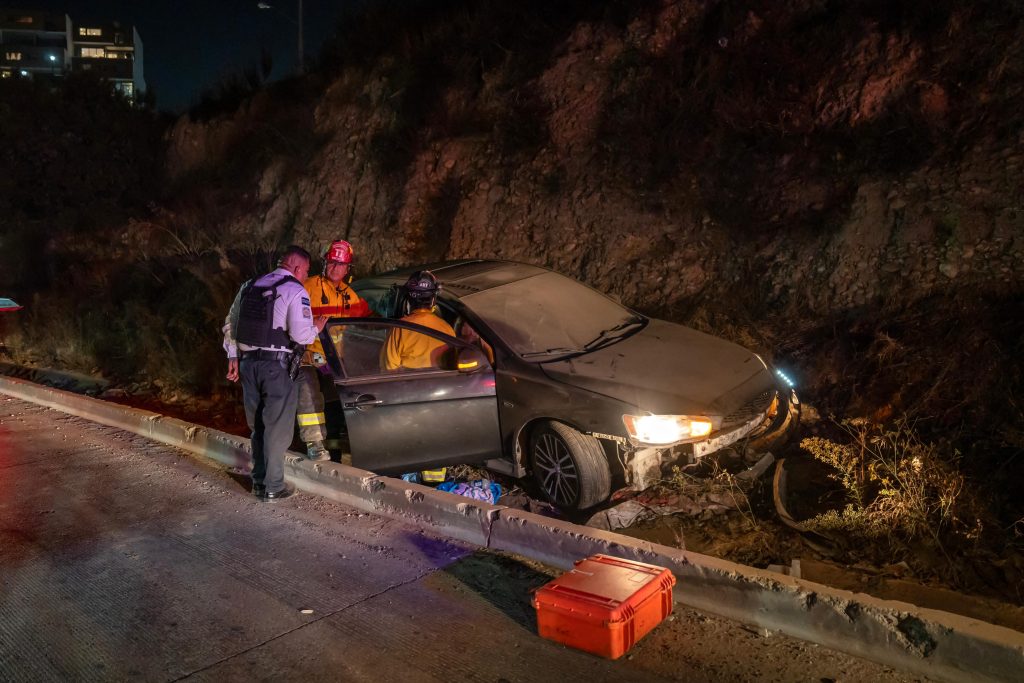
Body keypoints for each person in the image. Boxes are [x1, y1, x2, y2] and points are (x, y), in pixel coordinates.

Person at [223, 245, 327, 501]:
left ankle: (259, 481)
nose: (305, 276)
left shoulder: (249, 286)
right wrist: (316, 327)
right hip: (276, 368)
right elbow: (300, 335)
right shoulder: (295, 290)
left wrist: (233, 355)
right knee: (276, 428)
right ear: (297, 267)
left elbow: (230, 325)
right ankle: (273, 486)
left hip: (248, 365)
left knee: (258, 425)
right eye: (306, 271)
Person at [296, 239, 372, 460]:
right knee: (309, 396)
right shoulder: (308, 287)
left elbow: (369, 319)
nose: (335, 268)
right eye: (331, 263)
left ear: (348, 268)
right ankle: (314, 444)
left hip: (336, 360)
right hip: (309, 356)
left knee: (345, 401)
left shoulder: (350, 295)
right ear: (325, 263)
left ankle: (346, 444)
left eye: (340, 264)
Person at [381, 270, 455, 371]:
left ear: (409, 299)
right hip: (441, 385)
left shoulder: (400, 328)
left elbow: (388, 369)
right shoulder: (448, 329)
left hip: (408, 385)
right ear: (433, 299)